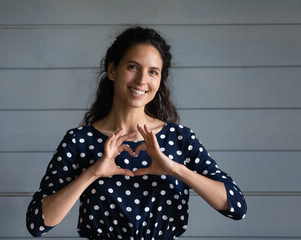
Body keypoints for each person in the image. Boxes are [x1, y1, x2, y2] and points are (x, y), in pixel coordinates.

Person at [26, 26, 247, 239]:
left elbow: (236, 206)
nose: (142, 80)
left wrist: (175, 169)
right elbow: (37, 223)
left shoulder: (180, 138)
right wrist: (92, 173)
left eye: (153, 72)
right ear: (112, 70)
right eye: (132, 67)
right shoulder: (79, 141)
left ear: (160, 81)